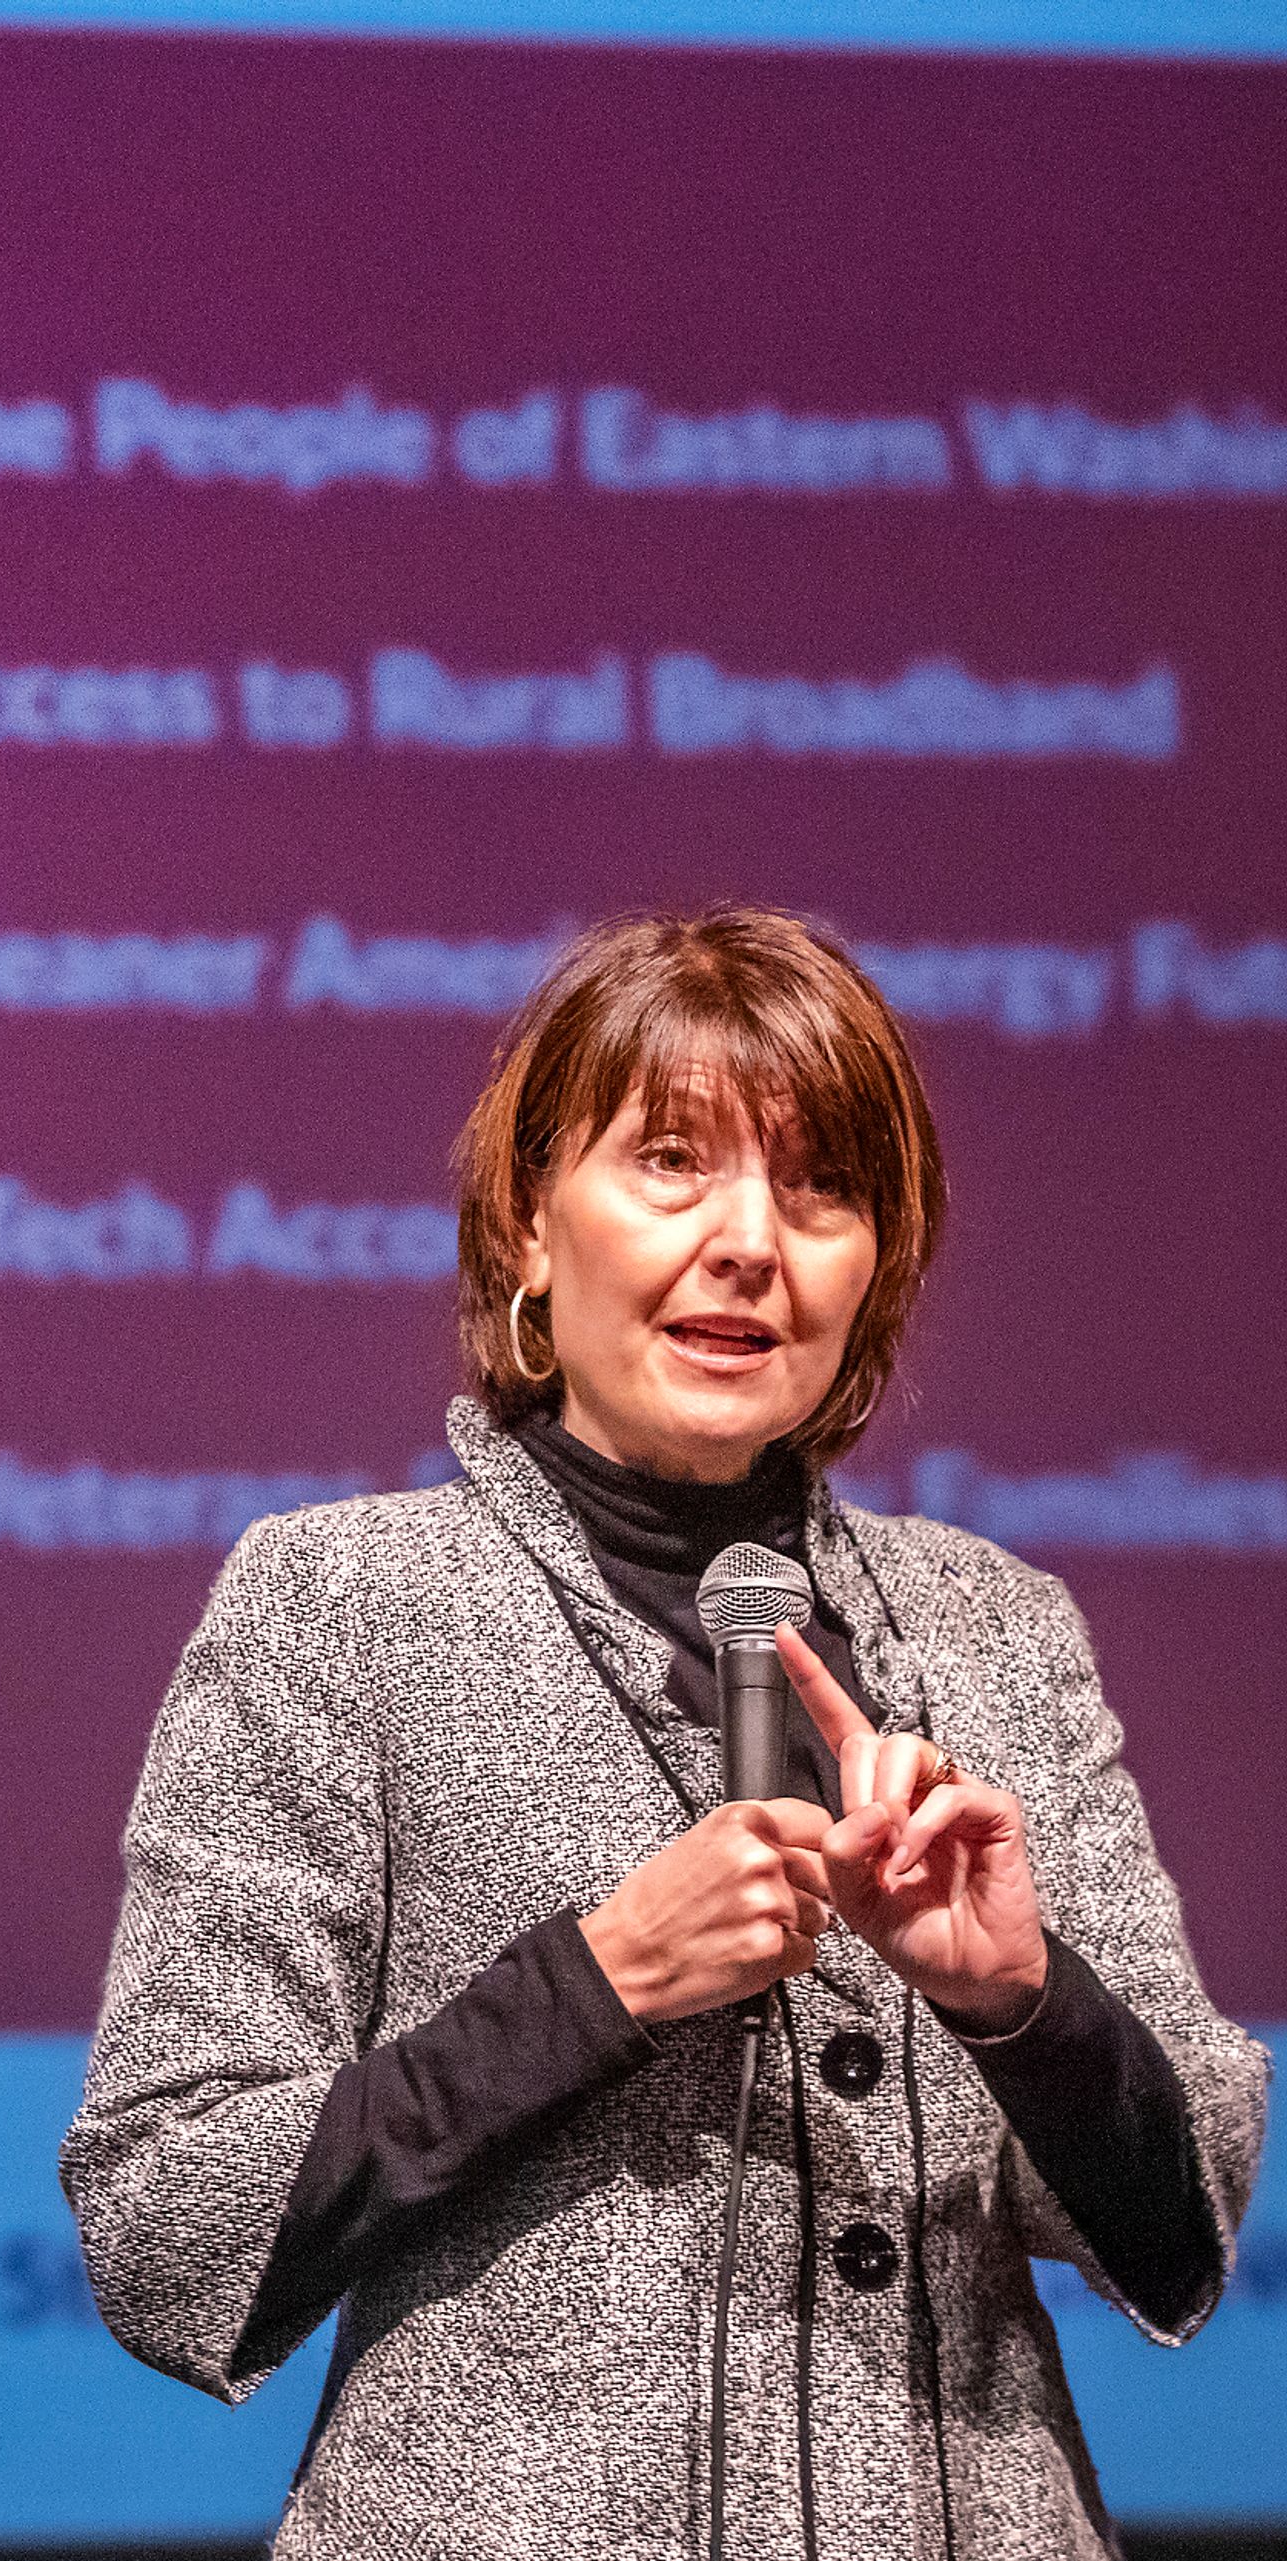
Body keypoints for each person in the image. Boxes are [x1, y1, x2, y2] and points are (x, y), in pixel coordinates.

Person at [62, 909, 1264, 2558]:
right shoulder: (341, 1601)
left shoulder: (999, 1625)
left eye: (820, 1187)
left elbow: (1187, 2222)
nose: (751, 1241)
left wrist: (1016, 1998)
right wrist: (599, 1977)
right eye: (673, 1163)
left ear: (877, 1267)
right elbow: (167, 2224)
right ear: (529, 1230)